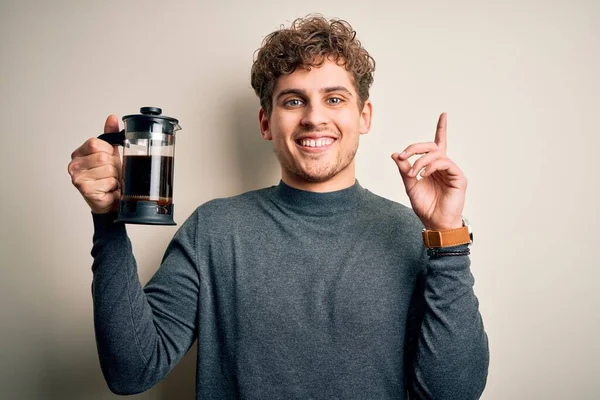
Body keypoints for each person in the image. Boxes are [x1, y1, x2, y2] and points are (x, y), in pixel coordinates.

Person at [68, 14, 489, 399]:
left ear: (364, 116)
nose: (313, 118)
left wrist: (448, 238)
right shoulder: (214, 230)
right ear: (266, 122)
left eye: (335, 99)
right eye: (293, 101)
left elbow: (453, 394)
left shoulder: (412, 234)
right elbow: (132, 370)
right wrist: (108, 218)